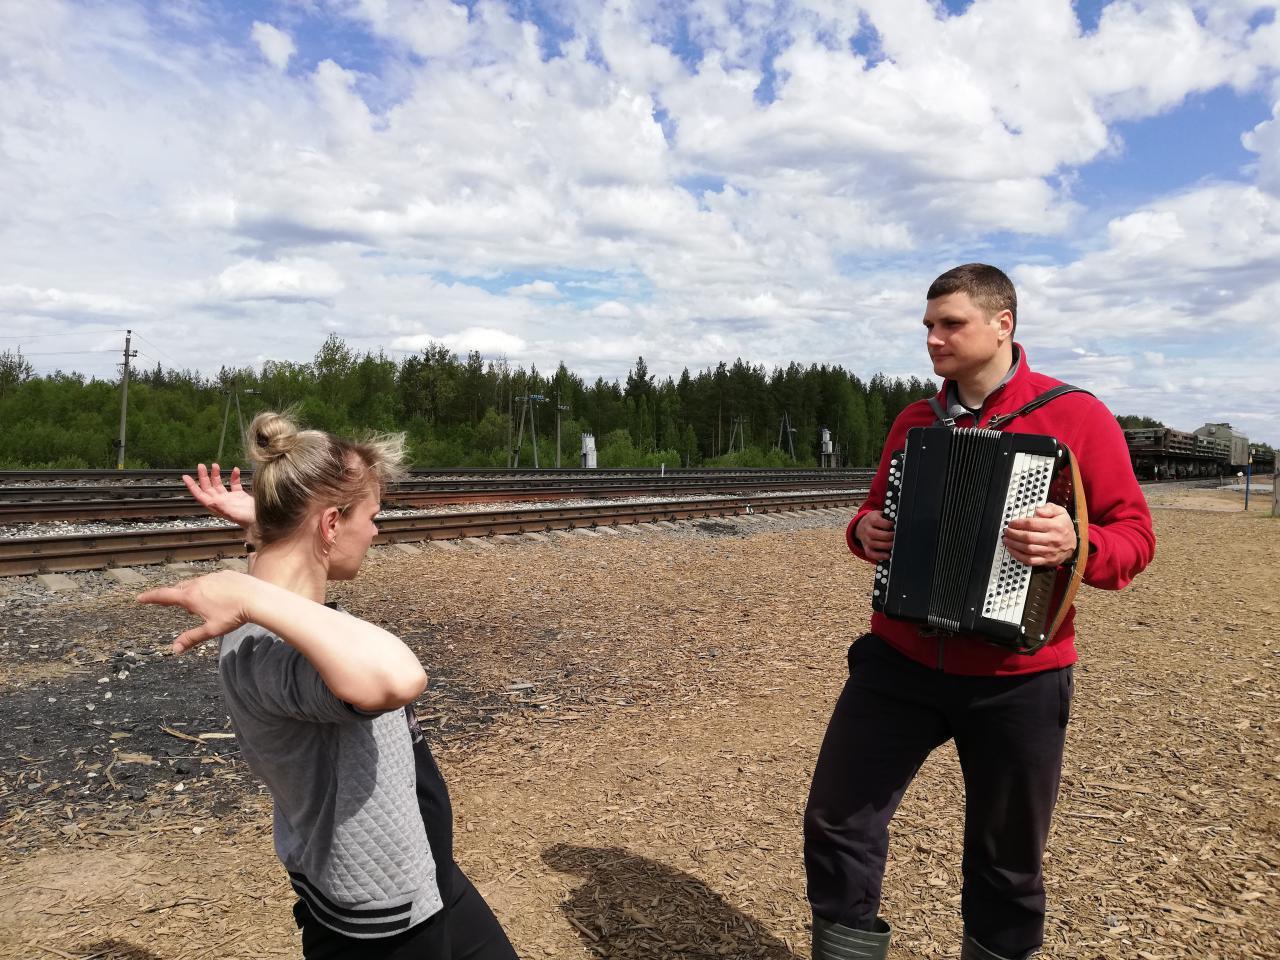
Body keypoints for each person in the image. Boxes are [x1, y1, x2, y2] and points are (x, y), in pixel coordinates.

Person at [804, 265, 1155, 960]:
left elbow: (1135, 538)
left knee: (1006, 863)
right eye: (928, 326)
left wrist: (1077, 541)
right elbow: (874, 515)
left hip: (1016, 676)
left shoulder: (1075, 415)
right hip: (899, 661)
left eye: (950, 324)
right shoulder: (914, 420)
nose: (933, 338)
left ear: (1004, 324)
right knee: (838, 821)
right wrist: (864, 531)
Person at [140, 412, 519, 960]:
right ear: (332, 525)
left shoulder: (281, 614)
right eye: (373, 514)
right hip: (380, 920)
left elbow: (290, 576)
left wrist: (273, 527)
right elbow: (399, 677)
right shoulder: (265, 649)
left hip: (421, 873)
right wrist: (252, 590)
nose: (377, 530)